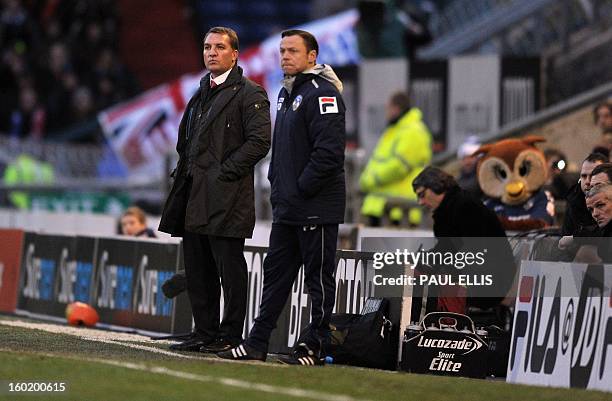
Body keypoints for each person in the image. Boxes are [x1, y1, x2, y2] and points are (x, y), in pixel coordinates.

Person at [219, 30, 346, 365]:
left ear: (312, 56)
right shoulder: (286, 93)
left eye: (293, 51)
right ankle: (257, 342)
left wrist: (300, 188)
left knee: (318, 281)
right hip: (288, 208)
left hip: (315, 209)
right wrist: (278, 186)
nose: (285, 56)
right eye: (282, 50)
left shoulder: (323, 94)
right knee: (276, 278)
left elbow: (329, 154)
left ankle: (313, 348)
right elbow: (283, 153)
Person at [158, 27, 271, 353]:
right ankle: (204, 332)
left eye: (219, 47)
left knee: (229, 271)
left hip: (227, 197)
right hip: (194, 195)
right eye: (207, 46)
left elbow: (260, 142)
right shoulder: (200, 93)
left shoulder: (250, 93)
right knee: (198, 269)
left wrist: (222, 174)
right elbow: (187, 142)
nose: (211, 52)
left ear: (234, 54)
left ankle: (229, 335)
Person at [411, 166, 513, 314]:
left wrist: (434, 268)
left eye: (422, 194)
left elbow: (474, 251)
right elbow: (448, 248)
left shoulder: (464, 205)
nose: (420, 202)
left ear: (437, 186)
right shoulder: (449, 208)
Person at [359, 91, 432, 226]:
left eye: (388, 108)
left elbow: (400, 166)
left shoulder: (413, 131)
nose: (386, 112)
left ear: (396, 108)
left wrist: (371, 179)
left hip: (401, 208)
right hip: (383, 204)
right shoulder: (395, 129)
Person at [560, 153, 608, 239]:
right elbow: (565, 238)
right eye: (584, 176)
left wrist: (576, 238)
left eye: (593, 175)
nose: (587, 181)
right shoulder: (574, 198)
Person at [456, 135, 482, 200]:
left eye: (471, 157)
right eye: (464, 158)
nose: (467, 162)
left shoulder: (482, 178)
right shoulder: (459, 179)